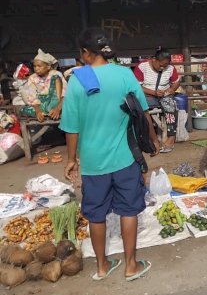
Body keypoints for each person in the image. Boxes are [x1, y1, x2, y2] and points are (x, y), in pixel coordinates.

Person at [62, 28, 159, 281]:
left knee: (96, 214)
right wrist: (153, 139)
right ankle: (130, 266)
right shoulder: (124, 74)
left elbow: (71, 127)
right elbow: (142, 112)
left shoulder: (76, 80)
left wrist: (72, 159)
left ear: (85, 52)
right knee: (128, 211)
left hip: (93, 163)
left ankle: (102, 266)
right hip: (125, 158)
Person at [134, 47, 180, 153]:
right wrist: (153, 93)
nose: (163, 68)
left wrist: (172, 89)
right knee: (140, 108)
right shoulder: (142, 67)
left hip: (164, 96)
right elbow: (138, 87)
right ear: (154, 59)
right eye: (161, 65)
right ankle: (147, 138)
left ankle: (171, 137)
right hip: (147, 96)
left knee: (170, 104)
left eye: (165, 66)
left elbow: (176, 82)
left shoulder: (171, 69)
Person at [19, 49, 67, 121]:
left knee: (56, 79)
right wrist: (38, 111)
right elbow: (33, 98)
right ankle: (46, 112)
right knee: (24, 110)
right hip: (42, 105)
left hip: (56, 103)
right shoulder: (32, 78)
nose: (36, 68)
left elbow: (65, 95)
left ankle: (51, 110)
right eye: (34, 66)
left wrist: (58, 108)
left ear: (48, 67)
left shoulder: (56, 74)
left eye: (39, 66)